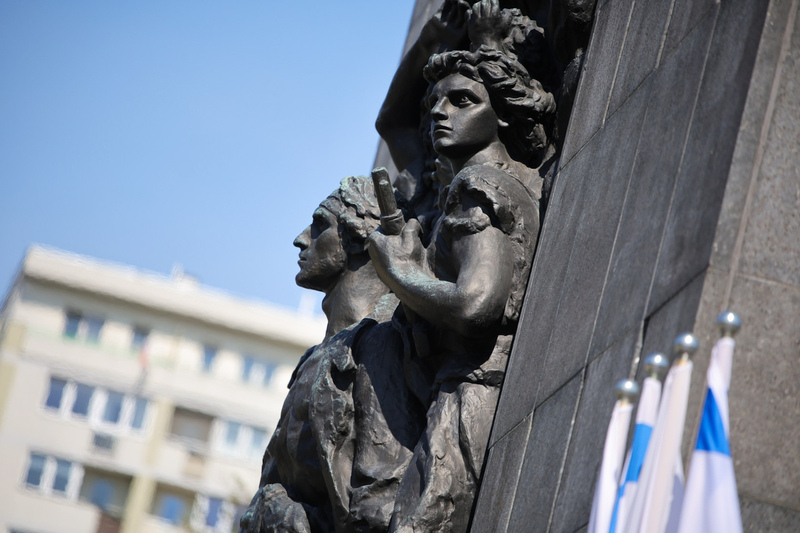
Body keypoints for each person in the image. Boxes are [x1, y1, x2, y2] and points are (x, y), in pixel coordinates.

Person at [368, 43, 555, 533]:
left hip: (468, 396)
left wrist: (398, 272)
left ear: (504, 115)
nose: (438, 112)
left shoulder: (477, 187)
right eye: (434, 102)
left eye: (462, 100)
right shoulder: (512, 180)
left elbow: (476, 305)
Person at [240, 176, 425, 533]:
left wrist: (283, 516)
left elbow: (376, 509)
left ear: (360, 239)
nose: (301, 238)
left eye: (320, 224)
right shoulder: (316, 357)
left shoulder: (378, 343)